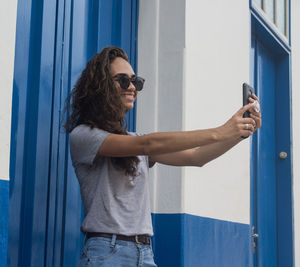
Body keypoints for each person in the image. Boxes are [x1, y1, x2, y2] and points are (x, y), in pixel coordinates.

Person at [64, 46, 261, 267]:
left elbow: (196, 157)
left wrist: (238, 134)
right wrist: (219, 131)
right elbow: (148, 143)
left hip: (144, 253)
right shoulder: (84, 136)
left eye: (135, 82)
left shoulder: (134, 142)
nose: (132, 88)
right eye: (123, 80)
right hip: (106, 252)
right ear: (101, 86)